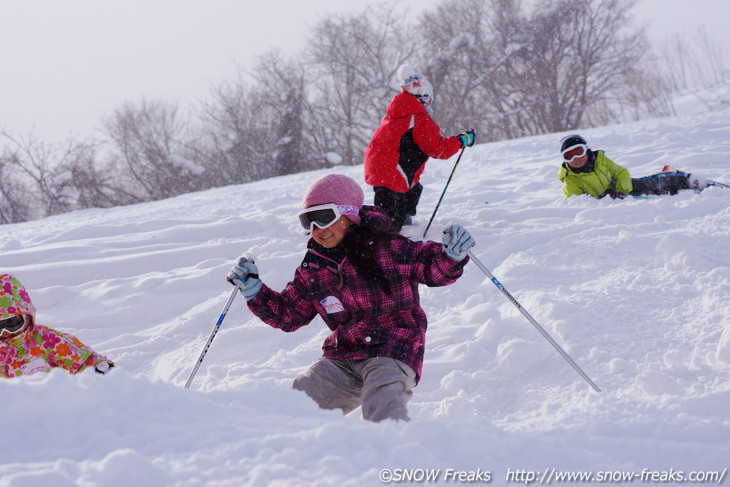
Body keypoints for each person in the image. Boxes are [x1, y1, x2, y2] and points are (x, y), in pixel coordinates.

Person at [226, 174, 475, 422]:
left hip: (393, 347)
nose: (317, 229)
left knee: (383, 400)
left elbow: (431, 267)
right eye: (308, 221)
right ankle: (295, 453)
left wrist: (450, 256)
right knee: (296, 404)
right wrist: (255, 291)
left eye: (324, 217)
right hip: (344, 354)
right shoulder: (314, 267)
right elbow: (289, 315)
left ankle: (394, 448)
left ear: (349, 214)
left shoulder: (385, 247)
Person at [364, 64, 476, 231]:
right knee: (390, 224)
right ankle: (388, 241)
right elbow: (439, 149)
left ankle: (405, 227)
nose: (429, 107)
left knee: (413, 190)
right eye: (428, 102)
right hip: (392, 174)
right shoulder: (418, 118)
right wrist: (462, 140)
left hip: (381, 171)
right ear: (423, 98)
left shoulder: (396, 114)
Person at [1, 273, 114, 378]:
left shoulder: (44, 339)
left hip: (47, 396)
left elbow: (82, 360)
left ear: (27, 316)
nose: (5, 332)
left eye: (13, 323)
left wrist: (100, 368)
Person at [557, 134, 715, 200]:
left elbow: (621, 172)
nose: (576, 159)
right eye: (569, 156)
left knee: (653, 184)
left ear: (587, 150)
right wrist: (602, 199)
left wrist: (621, 190)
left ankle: (688, 181)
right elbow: (577, 203)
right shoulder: (570, 181)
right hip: (610, 200)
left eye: (578, 152)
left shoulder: (600, 161)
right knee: (652, 193)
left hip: (625, 189)